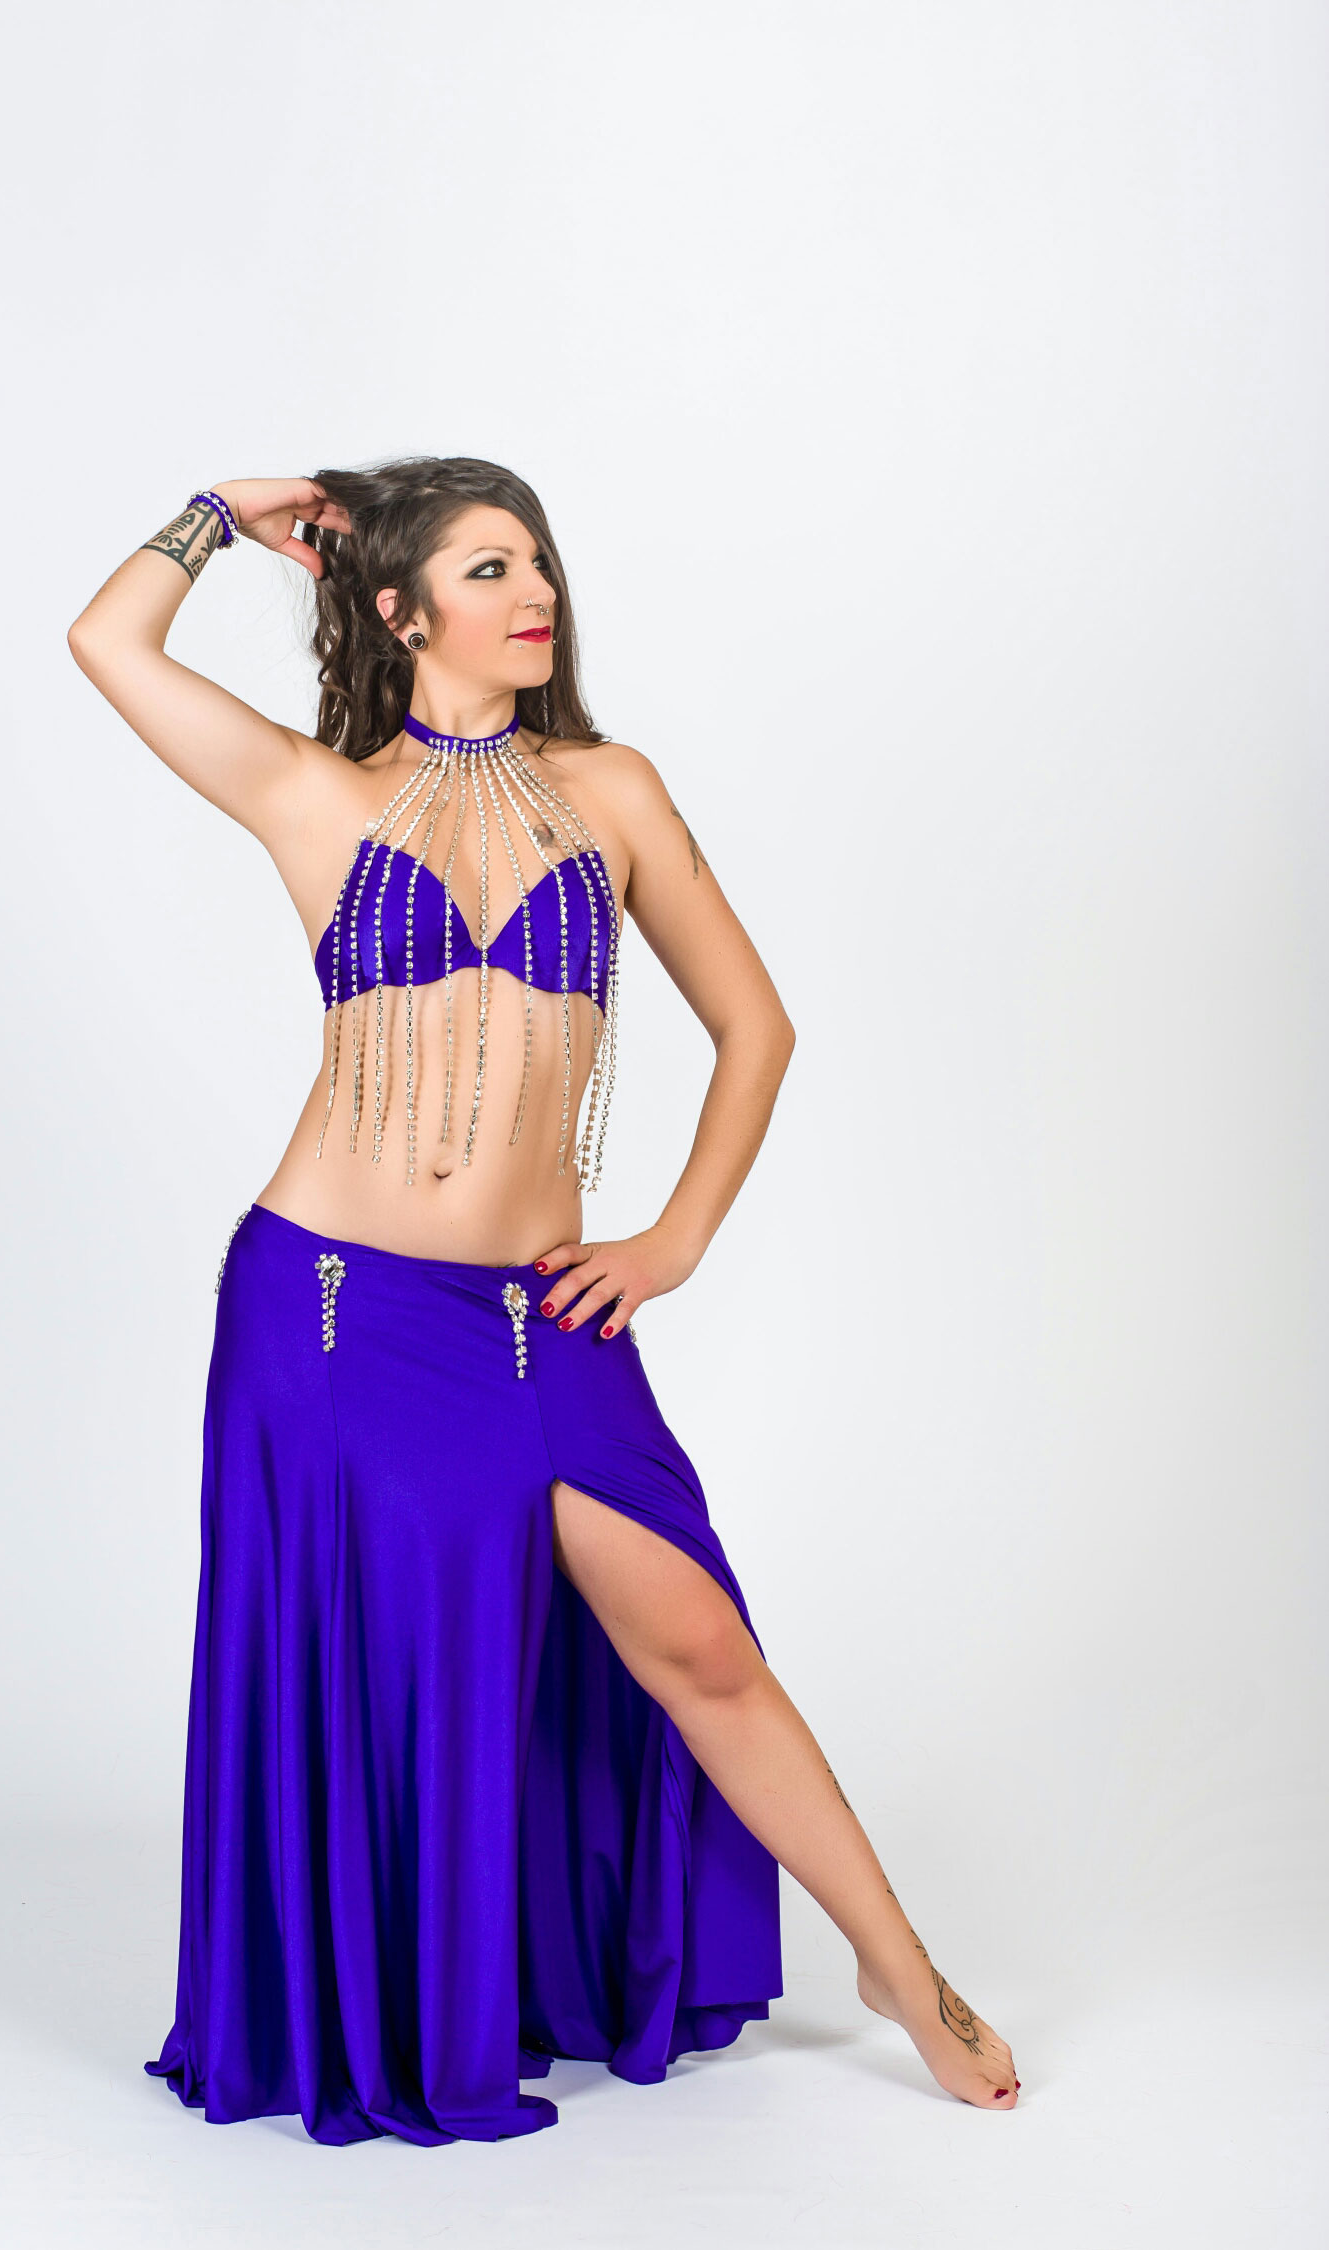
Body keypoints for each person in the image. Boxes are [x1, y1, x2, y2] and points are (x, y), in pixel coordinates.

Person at [67, 457, 1019, 2146]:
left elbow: (758, 1027)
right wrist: (222, 511)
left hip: (533, 1319)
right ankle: (407, 2005)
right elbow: (108, 641)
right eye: (490, 567)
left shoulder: (611, 790)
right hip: (337, 1313)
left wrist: (673, 1241)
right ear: (399, 608)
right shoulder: (313, 792)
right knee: (407, 1674)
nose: (537, 595)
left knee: (699, 1639)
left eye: (540, 564)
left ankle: (899, 1965)